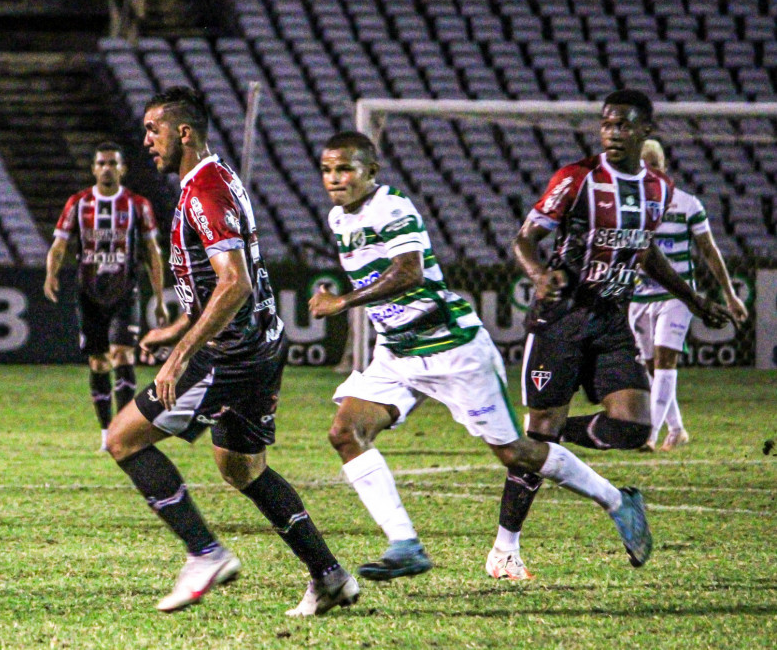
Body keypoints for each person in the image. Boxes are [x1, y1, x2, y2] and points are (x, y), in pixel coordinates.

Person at [309, 130, 658, 586]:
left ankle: (617, 500)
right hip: (398, 353)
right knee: (345, 432)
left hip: (452, 348)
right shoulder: (339, 217)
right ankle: (405, 545)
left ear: (370, 171)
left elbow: (410, 272)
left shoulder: (391, 208)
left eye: (345, 169)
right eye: (327, 170)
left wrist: (343, 302)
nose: (334, 179)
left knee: (515, 452)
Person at [103, 86, 359, 616]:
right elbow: (216, 284)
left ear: (184, 133)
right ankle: (329, 575)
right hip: (259, 344)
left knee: (123, 439)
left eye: (155, 129)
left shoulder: (206, 190)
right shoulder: (210, 181)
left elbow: (234, 283)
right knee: (243, 470)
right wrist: (176, 330)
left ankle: (204, 553)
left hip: (230, 351)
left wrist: (180, 356)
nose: (147, 140)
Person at [486, 90, 734, 580]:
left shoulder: (657, 191)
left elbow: (643, 254)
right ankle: (504, 549)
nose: (613, 132)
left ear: (646, 132)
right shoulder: (576, 178)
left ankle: (544, 438)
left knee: (635, 427)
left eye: (624, 125)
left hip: (612, 319)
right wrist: (538, 274)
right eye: (607, 124)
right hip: (561, 320)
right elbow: (524, 238)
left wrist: (693, 297)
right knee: (545, 434)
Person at [44, 142, 169, 450]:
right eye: (101, 163)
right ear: (94, 169)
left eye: (112, 163)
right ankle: (105, 432)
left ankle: (124, 432)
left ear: (122, 169)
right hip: (89, 294)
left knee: (123, 355)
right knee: (99, 363)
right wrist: (51, 274)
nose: (107, 168)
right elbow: (59, 245)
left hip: (125, 291)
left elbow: (153, 252)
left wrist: (161, 297)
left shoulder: (137, 205)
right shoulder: (78, 203)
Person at [628, 139, 748, 451]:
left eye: (655, 163)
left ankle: (648, 436)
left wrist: (729, 294)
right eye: (644, 164)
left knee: (666, 361)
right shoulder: (631, 205)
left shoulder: (686, 204)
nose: (649, 169)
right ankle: (677, 430)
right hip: (640, 297)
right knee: (653, 367)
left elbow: (708, 249)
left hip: (678, 296)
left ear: (664, 167)